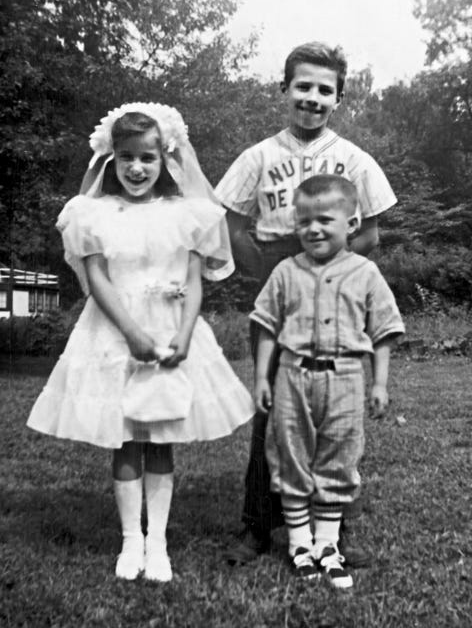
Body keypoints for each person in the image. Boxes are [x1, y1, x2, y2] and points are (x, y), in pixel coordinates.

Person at [27, 102, 254, 583]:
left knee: (161, 435)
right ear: (110, 160)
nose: (136, 168)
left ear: (166, 160)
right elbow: (97, 277)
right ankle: (132, 539)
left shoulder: (187, 213)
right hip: (114, 331)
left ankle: (160, 542)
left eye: (148, 158)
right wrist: (131, 333)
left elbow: (194, 279)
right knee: (127, 437)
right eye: (126, 157)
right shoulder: (92, 213)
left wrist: (186, 333)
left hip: (172, 329)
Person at [215, 42, 398, 567]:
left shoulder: (354, 159)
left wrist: (330, 271)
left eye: (324, 90)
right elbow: (231, 225)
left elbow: (372, 234)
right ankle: (257, 526)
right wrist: (274, 274)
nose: (312, 98)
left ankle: (336, 532)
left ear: (338, 97)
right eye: (303, 86)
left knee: (338, 418)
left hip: (337, 291)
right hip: (280, 283)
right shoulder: (259, 156)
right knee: (271, 407)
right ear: (285, 89)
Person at [251, 174, 404, 588]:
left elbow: (384, 331)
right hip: (292, 376)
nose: (313, 229)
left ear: (351, 223)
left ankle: (328, 545)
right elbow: (266, 325)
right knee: (291, 454)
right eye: (304, 221)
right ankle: (300, 544)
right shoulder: (286, 271)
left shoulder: (366, 272)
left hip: (347, 378)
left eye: (324, 220)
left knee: (339, 457)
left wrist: (380, 384)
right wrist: (262, 376)